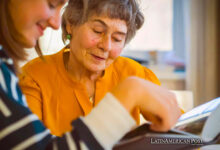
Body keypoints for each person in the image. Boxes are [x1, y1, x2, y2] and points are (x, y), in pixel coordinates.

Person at [0, 0, 181, 149]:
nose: (106, 46)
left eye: (117, 39)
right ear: (71, 25)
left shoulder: (136, 73)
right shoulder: (32, 77)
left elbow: (185, 135)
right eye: (97, 31)